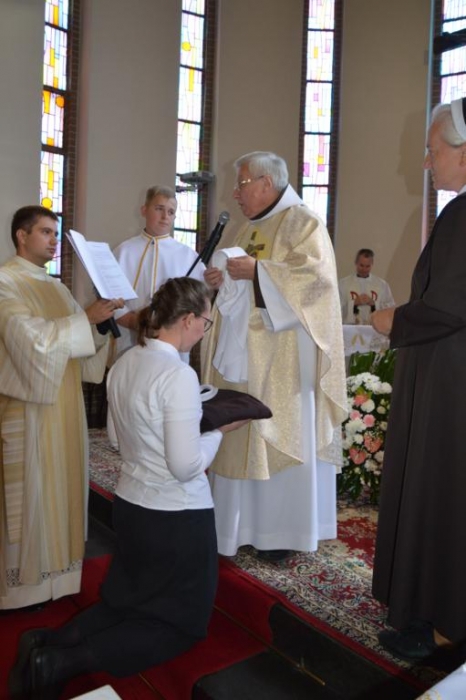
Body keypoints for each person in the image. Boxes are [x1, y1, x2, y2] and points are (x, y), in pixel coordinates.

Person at [8, 277, 249, 699]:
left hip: (133, 504)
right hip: (176, 515)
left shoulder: (126, 362)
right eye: (205, 322)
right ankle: (61, 663)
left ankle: (46, 641)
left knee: (125, 604)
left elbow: (118, 440)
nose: (203, 331)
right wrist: (217, 432)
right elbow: (185, 467)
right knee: (180, 624)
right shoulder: (178, 374)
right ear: (187, 320)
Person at [202, 151, 347, 561]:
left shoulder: (304, 223)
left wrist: (258, 272)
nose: (236, 193)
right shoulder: (247, 227)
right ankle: (239, 528)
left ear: (267, 183)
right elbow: (241, 284)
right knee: (241, 436)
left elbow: (317, 283)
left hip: (285, 363)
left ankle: (283, 533)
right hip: (244, 357)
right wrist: (221, 279)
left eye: (242, 184)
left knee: (280, 435)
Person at [371, 98, 466, 660]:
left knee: (445, 493)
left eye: (433, 151)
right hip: (449, 371)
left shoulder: (462, 214)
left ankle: (445, 625)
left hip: (451, 382)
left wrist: (394, 319)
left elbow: (450, 303)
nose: (427, 163)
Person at [0, 205, 123, 610]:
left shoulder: (57, 288)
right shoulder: (5, 282)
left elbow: (79, 346)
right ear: (21, 236)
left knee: (61, 489)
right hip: (28, 411)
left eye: (56, 233)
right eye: (46, 232)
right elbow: (29, 342)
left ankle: (59, 580)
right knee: (31, 495)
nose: (54, 240)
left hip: (65, 405)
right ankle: (23, 589)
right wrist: (84, 319)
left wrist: (99, 325)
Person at [112, 185, 206, 358]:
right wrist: (132, 321)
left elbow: (199, 302)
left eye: (171, 212)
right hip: (129, 341)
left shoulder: (188, 256)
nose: (165, 217)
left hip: (172, 345)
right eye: (159, 209)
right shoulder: (123, 251)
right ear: (144, 210)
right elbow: (108, 297)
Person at [338, 248, 395, 324]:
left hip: (374, 328)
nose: (364, 269)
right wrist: (353, 303)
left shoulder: (382, 285)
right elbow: (336, 308)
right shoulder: (343, 284)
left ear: (372, 264)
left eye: (368, 266)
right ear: (356, 263)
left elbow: (391, 309)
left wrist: (374, 304)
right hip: (351, 327)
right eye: (361, 265)